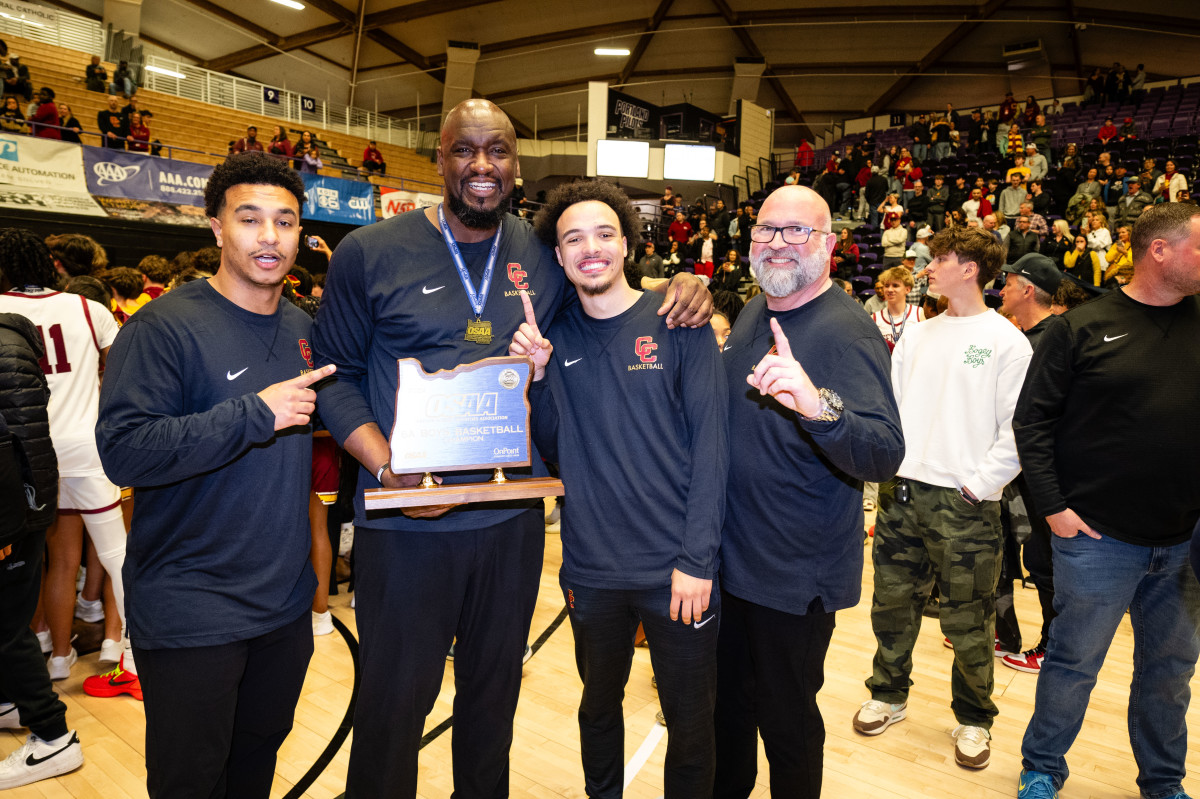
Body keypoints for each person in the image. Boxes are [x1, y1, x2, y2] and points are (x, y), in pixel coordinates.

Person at [311, 98, 711, 798]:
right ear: (439, 159)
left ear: (516, 163)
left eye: (497, 150)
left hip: (509, 523)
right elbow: (334, 376)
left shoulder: (542, 249)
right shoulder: (367, 253)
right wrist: (388, 468)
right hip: (405, 524)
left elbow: (607, 305)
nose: (482, 166)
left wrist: (679, 286)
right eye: (465, 150)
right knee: (393, 706)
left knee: (492, 702)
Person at [95, 153, 335, 798]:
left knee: (255, 766)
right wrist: (254, 413)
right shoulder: (163, 327)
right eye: (249, 218)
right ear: (216, 228)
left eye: (284, 222)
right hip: (191, 604)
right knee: (191, 781)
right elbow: (124, 451)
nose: (268, 237)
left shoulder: (302, 328)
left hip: (282, 604)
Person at [511, 179, 728, 798]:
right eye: (573, 238)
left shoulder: (679, 323)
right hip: (591, 571)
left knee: (690, 725)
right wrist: (539, 378)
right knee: (597, 709)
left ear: (627, 244)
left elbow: (712, 450)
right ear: (558, 257)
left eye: (605, 233)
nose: (591, 248)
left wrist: (696, 559)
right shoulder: (557, 335)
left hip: (677, 573)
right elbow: (555, 446)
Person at [715, 184, 904, 796]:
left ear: (828, 244)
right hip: (730, 563)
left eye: (797, 231)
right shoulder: (754, 311)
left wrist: (819, 407)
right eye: (767, 230)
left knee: (787, 724)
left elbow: (883, 452)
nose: (778, 243)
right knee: (729, 713)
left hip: (793, 576)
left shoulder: (848, 331)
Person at [1014, 202, 1200, 799]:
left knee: (1170, 676)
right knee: (1073, 666)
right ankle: (1042, 767)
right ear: (1160, 250)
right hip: (1097, 538)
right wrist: (1053, 508)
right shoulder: (1080, 328)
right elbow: (1032, 424)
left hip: (1185, 540)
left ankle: (1163, 782)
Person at [857, 226, 1032, 770]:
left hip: (966, 504)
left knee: (968, 618)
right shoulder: (918, 335)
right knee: (892, 604)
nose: (927, 269)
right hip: (902, 492)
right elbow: (893, 410)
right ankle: (888, 694)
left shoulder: (1007, 342)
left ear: (971, 269)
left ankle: (975, 719)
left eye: (939, 260)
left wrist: (978, 487)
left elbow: (1019, 431)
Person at [0, 231, 134, 694]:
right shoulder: (89, 308)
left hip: (20, 451)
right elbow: (121, 376)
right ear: (50, 264)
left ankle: (51, 659)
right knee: (116, 552)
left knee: (38, 562)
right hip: (85, 445)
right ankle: (135, 652)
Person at [0, 292, 83, 790]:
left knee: (7, 628)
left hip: (12, 517)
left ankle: (53, 738)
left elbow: (29, 443)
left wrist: (23, 522)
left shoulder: (5, 348)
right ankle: (11, 703)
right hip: (16, 512)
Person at [995, 253, 1066, 675]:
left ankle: (1053, 647)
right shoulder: (1023, 337)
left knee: (1047, 564)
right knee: (1025, 559)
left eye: (1007, 283)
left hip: (1047, 474)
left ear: (1027, 289)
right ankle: (1007, 633)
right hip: (1020, 473)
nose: (1000, 290)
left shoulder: (1056, 336)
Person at [870, 265, 924, 350]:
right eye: (887, 285)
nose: (890, 290)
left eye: (895, 285)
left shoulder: (919, 314)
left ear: (907, 289)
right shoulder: (875, 318)